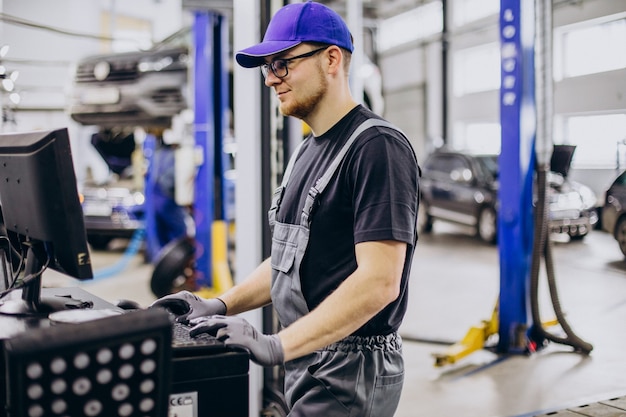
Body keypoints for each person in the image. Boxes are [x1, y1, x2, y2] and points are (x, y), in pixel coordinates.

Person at [152, 1, 420, 415]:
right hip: (309, 354)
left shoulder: (377, 148)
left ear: (331, 59)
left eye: (282, 64)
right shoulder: (306, 152)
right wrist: (218, 304)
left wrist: (275, 344)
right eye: (267, 67)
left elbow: (381, 281)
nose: (270, 79)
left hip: (353, 367)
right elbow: (287, 262)